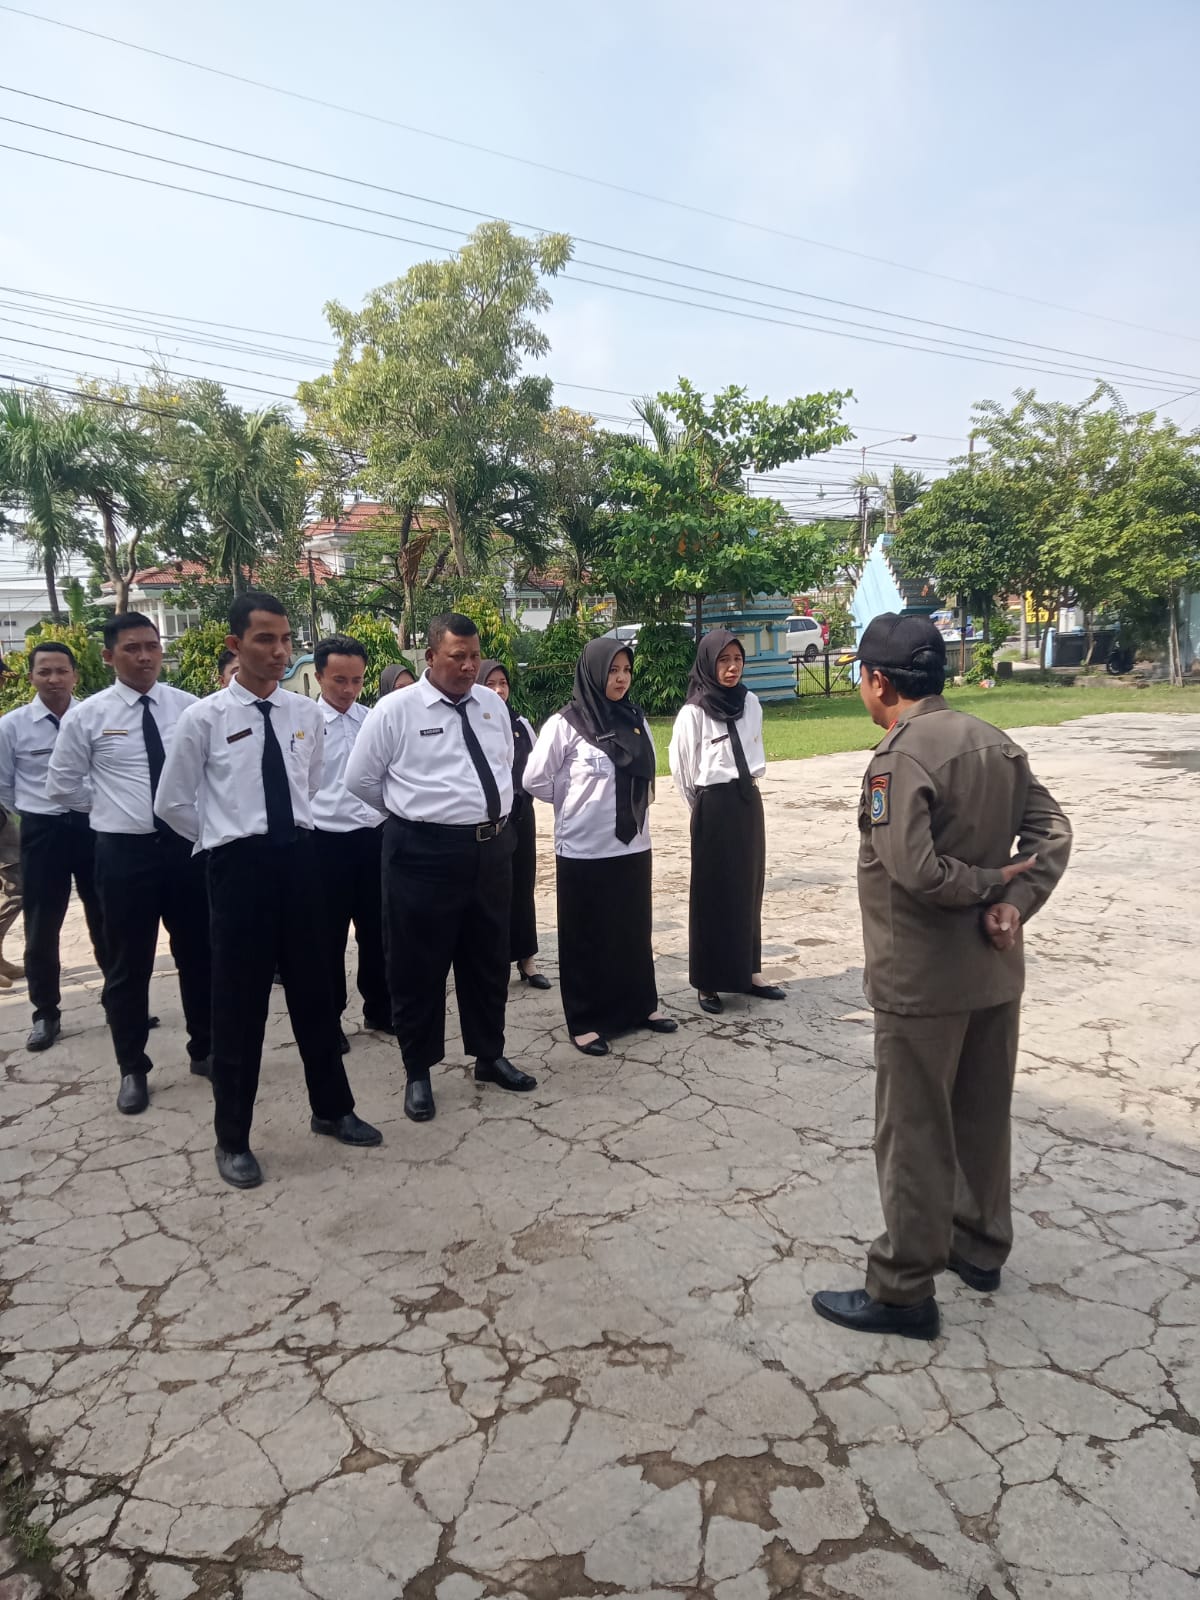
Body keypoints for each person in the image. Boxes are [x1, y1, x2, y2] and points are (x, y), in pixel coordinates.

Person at [811, 614, 1072, 1342]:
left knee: (914, 1130)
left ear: (879, 681)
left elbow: (917, 871)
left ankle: (903, 1289)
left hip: (920, 980)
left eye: (861, 677)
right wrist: (1014, 903)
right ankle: (979, 1246)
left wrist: (993, 885)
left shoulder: (899, 760)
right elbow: (1054, 832)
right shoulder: (995, 742)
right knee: (981, 1117)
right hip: (992, 971)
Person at [155, 592, 381, 1188]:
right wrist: (223, 838)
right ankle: (232, 1138)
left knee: (315, 993)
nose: (279, 651)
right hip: (238, 869)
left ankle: (332, 1109)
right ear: (236, 645)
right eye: (264, 639)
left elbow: (310, 785)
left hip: (302, 860)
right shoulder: (203, 719)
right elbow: (172, 803)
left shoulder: (303, 714)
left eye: (285, 639)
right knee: (240, 1006)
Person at [344, 613, 537, 1123]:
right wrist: (415, 818)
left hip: (491, 851)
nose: (470, 666)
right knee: (418, 967)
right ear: (430, 657)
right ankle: (419, 1071)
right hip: (422, 856)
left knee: (488, 960)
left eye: (475, 656)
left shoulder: (492, 705)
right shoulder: (396, 710)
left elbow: (501, 765)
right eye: (457, 657)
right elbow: (360, 780)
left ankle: (489, 1056)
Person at [48, 616, 211, 1110]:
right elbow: (62, 786)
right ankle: (132, 1067)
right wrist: (110, 808)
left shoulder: (189, 708)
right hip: (123, 853)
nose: (144, 657)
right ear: (108, 657)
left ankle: (206, 1049)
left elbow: (210, 773)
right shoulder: (88, 716)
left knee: (200, 955)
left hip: (184, 849)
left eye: (152, 647)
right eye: (132, 648)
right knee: (127, 964)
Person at [523, 638, 677, 1056]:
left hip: (632, 844)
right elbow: (534, 779)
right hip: (584, 848)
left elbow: (649, 769)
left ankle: (640, 1008)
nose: (621, 678)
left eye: (626, 670)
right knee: (586, 937)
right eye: (612, 670)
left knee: (632, 931)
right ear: (593, 672)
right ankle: (586, 1020)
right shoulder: (566, 724)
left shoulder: (635, 718)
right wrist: (572, 804)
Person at [669, 629, 785, 1014]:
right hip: (714, 804)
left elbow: (753, 749)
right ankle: (708, 981)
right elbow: (683, 771)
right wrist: (704, 808)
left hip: (747, 800)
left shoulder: (750, 702)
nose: (732, 667)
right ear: (708, 663)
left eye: (737, 659)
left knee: (749, 887)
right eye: (723, 660)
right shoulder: (694, 712)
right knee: (712, 893)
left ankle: (748, 972)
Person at [0, 643, 106, 1049]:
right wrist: (37, 812)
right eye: (44, 671)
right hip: (42, 831)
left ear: (74, 675)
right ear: (31, 676)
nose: (54, 679)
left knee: (106, 917)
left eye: (62, 671)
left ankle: (120, 1002)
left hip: (92, 827)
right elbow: (5, 786)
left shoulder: (94, 717)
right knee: (42, 926)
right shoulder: (12, 726)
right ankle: (45, 1013)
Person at [311, 633, 392, 1048]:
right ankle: (329, 1019)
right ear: (319, 677)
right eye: (339, 680)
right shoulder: (305, 724)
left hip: (373, 838)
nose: (348, 690)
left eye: (356, 680)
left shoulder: (373, 719)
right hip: (325, 842)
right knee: (327, 938)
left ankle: (380, 1008)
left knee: (378, 931)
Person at [478, 659, 549, 990]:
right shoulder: (472, 723)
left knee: (522, 887)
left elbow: (536, 768)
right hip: (487, 823)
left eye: (503, 683)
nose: (498, 690)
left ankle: (527, 959)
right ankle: (492, 964)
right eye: (490, 684)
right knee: (490, 893)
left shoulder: (520, 724)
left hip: (520, 817)